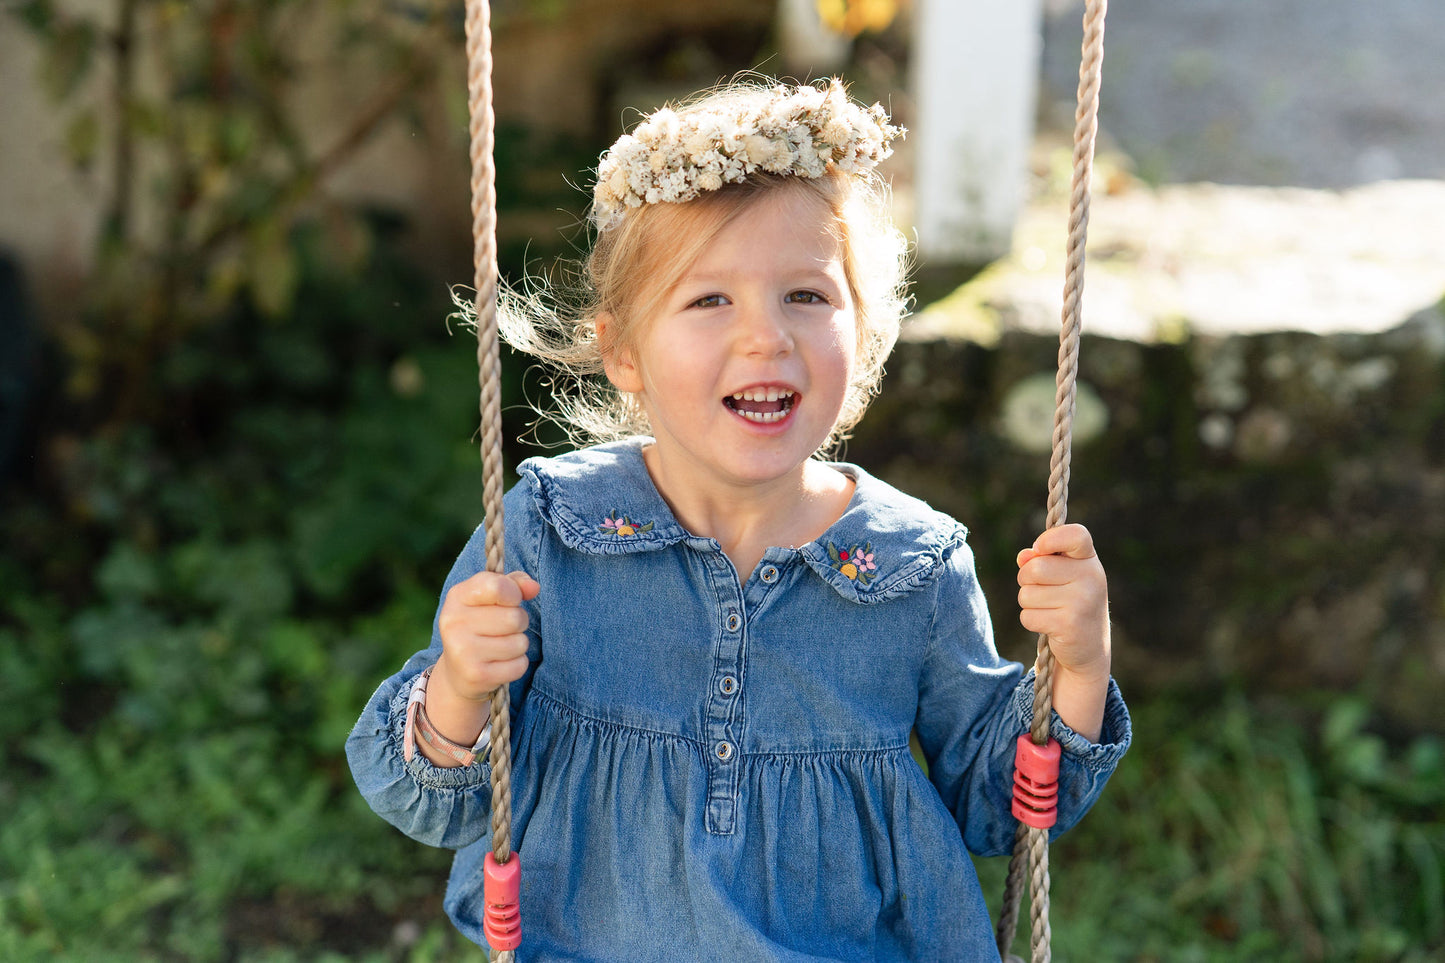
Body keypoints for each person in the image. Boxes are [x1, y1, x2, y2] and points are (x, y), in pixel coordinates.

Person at [348, 78, 1130, 961]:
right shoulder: (553, 530)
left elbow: (1003, 808)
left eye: (806, 295)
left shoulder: (910, 562)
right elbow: (429, 796)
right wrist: (457, 684)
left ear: (863, 329)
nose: (766, 337)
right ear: (623, 351)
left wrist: (1078, 666)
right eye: (709, 299)